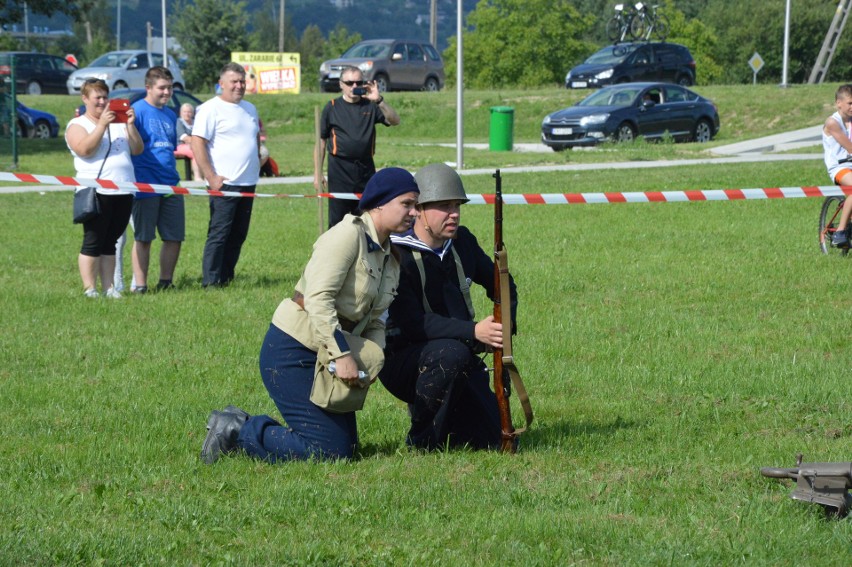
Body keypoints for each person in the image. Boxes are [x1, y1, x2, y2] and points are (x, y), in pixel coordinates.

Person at [200, 167, 419, 464]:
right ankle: (237, 429)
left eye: (416, 205)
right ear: (379, 203)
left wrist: (371, 358)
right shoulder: (347, 235)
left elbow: (378, 318)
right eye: (407, 204)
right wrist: (343, 355)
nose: (415, 212)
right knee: (329, 451)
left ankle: (242, 423)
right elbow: (317, 299)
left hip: (326, 354)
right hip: (293, 349)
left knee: (345, 448)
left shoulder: (390, 256)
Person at [379, 163, 518, 451]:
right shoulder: (397, 253)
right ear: (419, 209)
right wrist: (474, 331)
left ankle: (449, 421)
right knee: (451, 354)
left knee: (492, 437)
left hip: (461, 355)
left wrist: (504, 329)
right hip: (404, 358)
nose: (454, 213)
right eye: (444, 206)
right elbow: (412, 323)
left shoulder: (462, 241)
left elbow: (503, 286)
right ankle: (421, 440)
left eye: (457, 205)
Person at [66, 78, 143, 298]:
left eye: (104, 97)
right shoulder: (78, 125)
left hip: (124, 189)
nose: (101, 102)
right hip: (95, 191)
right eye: (97, 97)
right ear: (85, 99)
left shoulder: (119, 124)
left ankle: (109, 287)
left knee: (111, 241)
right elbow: (84, 149)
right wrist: (101, 126)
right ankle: (90, 288)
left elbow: (138, 149)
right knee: (93, 240)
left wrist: (129, 125)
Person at [191, 62, 261, 287]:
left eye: (242, 81)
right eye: (234, 82)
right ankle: (211, 281)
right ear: (221, 84)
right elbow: (197, 142)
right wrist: (211, 176)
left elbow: (255, 139)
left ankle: (226, 277)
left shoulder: (250, 109)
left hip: (248, 182)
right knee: (219, 234)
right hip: (224, 183)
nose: (239, 86)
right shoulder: (209, 109)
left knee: (239, 234)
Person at [314, 66, 400, 229]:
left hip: (365, 170)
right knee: (338, 222)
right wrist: (318, 173)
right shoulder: (331, 107)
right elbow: (321, 142)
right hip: (339, 170)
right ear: (341, 84)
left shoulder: (371, 106)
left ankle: (365, 253)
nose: (354, 86)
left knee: (367, 221)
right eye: (349, 83)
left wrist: (379, 100)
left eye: (358, 82)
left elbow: (395, 120)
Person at [129, 66, 183, 293]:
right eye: (162, 88)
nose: (167, 92)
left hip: (171, 184)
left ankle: (165, 282)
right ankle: (140, 285)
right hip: (144, 184)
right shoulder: (137, 111)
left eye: (170, 87)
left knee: (174, 236)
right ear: (148, 88)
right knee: (144, 237)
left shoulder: (171, 114)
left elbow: (170, 147)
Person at [824, 84, 852, 248]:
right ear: (838, 103)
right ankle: (840, 231)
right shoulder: (832, 122)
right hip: (839, 167)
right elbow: (849, 147)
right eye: (850, 103)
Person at [175, 103, 202, 181]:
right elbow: (184, 138)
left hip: (194, 145)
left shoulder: (195, 122)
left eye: (189, 112)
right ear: (181, 113)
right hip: (180, 145)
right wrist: (198, 142)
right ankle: (197, 177)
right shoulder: (179, 122)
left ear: (193, 113)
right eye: (185, 112)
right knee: (196, 151)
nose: (187, 114)